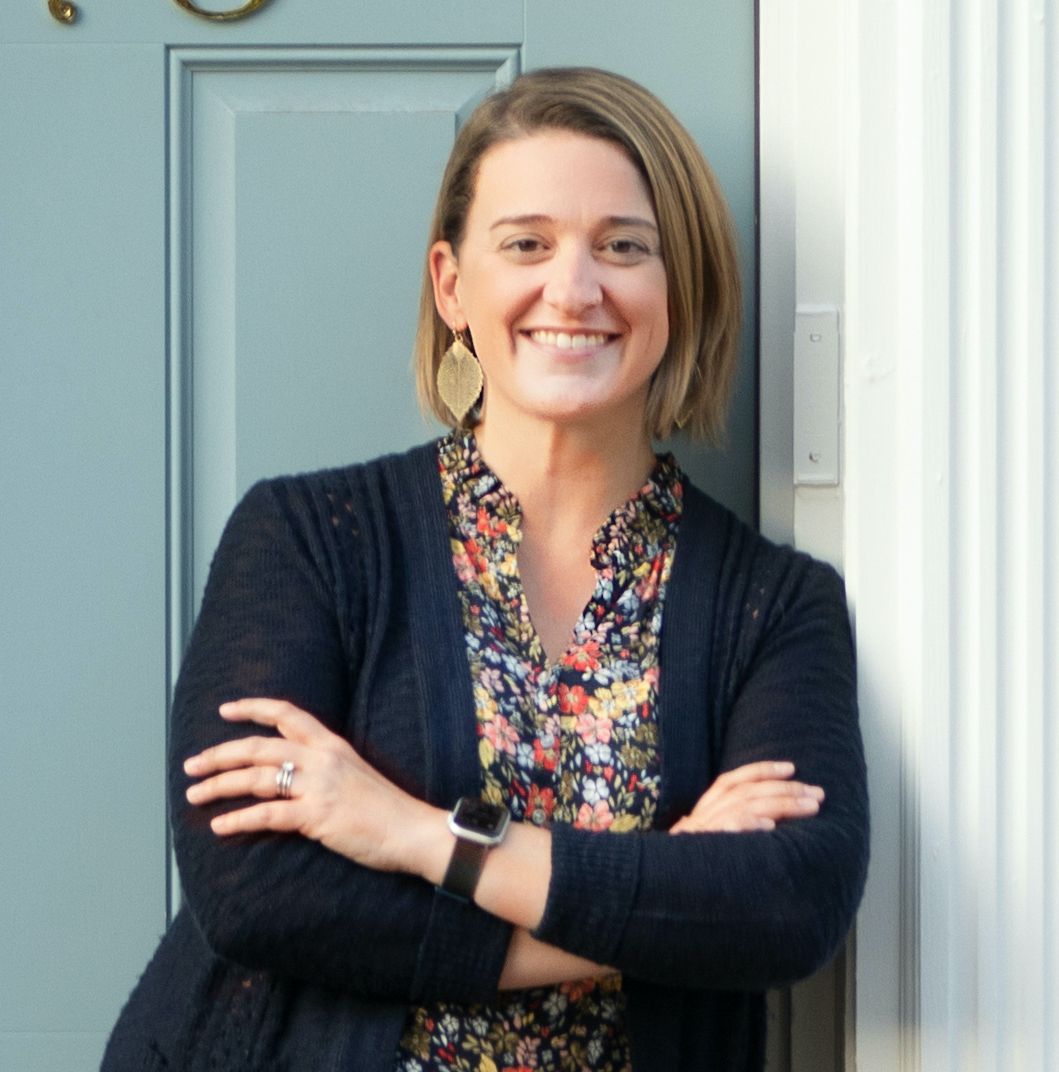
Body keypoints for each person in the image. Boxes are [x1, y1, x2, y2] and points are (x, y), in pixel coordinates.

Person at [103, 67, 868, 1072]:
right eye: (527, 244)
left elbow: (784, 910)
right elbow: (256, 889)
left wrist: (420, 836)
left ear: (679, 290)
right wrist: (663, 890)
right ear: (452, 285)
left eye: (625, 247)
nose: (576, 288)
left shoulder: (776, 606)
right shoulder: (306, 538)